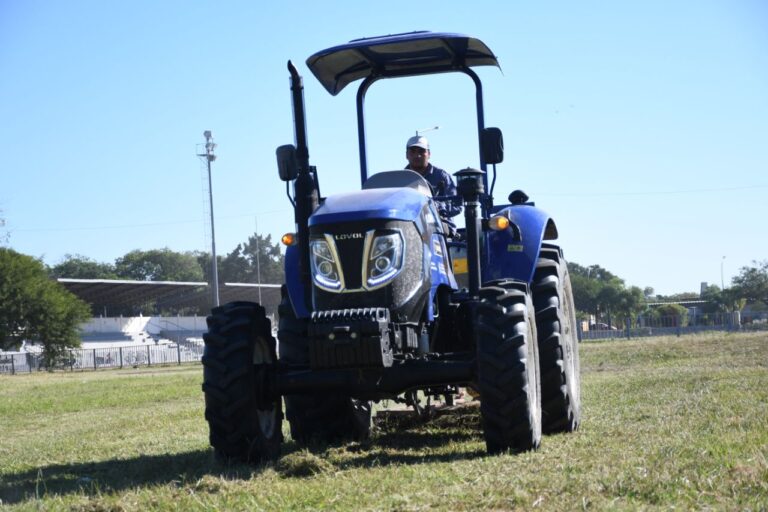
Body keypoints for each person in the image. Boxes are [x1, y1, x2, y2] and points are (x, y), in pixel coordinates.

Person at [404, 135, 462, 221]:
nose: (417, 155)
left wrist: (436, 207)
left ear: (429, 154)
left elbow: (456, 205)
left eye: (421, 151)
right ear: (407, 155)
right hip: (409, 227)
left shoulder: (442, 176)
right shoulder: (400, 179)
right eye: (413, 151)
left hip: (440, 227)